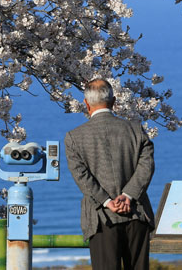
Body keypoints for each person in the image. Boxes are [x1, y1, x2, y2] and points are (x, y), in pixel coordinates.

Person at [64, 79, 155, 270]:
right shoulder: (135, 130)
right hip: (136, 213)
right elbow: (146, 166)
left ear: (86, 104)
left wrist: (107, 201)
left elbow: (82, 176)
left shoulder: (74, 137)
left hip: (101, 218)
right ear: (114, 101)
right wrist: (128, 195)